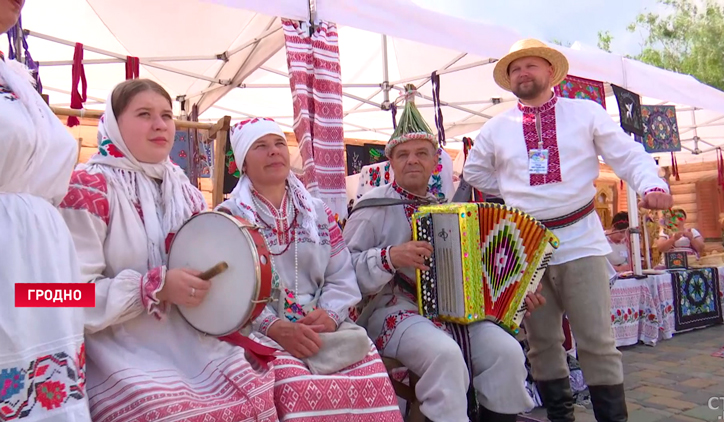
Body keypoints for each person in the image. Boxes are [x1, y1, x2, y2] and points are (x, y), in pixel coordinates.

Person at [462, 39, 673, 422]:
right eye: (515, 69)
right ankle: (561, 417)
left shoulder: (585, 113)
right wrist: (514, 186)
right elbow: (474, 172)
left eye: (530, 66)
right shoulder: (495, 128)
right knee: (541, 345)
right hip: (525, 248)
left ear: (549, 72)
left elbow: (628, 155)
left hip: (582, 240)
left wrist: (652, 185)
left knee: (597, 342)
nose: (523, 73)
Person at [59, 79, 280, 421]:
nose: (160, 124)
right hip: (116, 345)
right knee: (170, 412)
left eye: (166, 115)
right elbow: (59, 297)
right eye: (144, 114)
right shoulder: (88, 188)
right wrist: (154, 287)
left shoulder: (184, 191)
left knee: (257, 388)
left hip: (188, 338)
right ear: (115, 123)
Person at [343, 87, 545, 422]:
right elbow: (343, 270)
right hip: (393, 310)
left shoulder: (450, 208)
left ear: (435, 161)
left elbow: (483, 270)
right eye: (403, 154)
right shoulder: (372, 207)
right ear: (390, 161)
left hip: (454, 314)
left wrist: (519, 293)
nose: (412, 160)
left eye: (421, 153)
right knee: (445, 356)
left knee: (507, 353)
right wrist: (391, 257)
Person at [215, 117, 402, 421]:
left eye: (279, 144)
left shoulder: (317, 212)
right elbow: (226, 292)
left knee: (368, 366)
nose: (274, 152)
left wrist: (329, 314)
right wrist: (273, 327)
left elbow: (341, 275)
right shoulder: (228, 217)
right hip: (258, 328)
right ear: (243, 164)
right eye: (260, 146)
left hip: (320, 323)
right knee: (292, 382)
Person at [0, 2, 91, 420]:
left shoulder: (15, 77)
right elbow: (101, 291)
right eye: (144, 114)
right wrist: (148, 290)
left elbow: (84, 295)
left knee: (54, 401)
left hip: (47, 261)